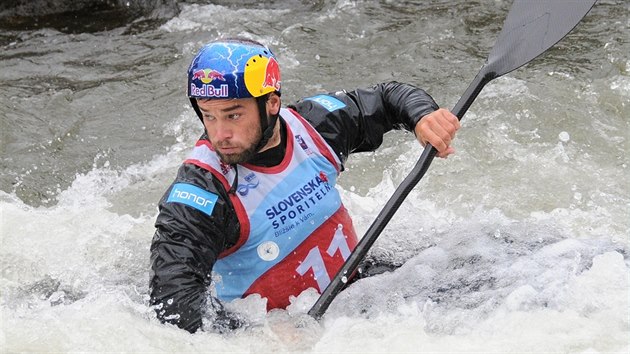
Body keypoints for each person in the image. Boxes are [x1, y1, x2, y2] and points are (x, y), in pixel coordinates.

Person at [149, 38, 460, 333]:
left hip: (363, 290)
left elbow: (387, 97)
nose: (220, 134)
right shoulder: (201, 192)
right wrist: (255, 335)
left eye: (233, 115)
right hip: (294, 333)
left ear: (271, 103)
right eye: (208, 116)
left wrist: (422, 116)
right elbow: (173, 307)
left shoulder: (316, 126)